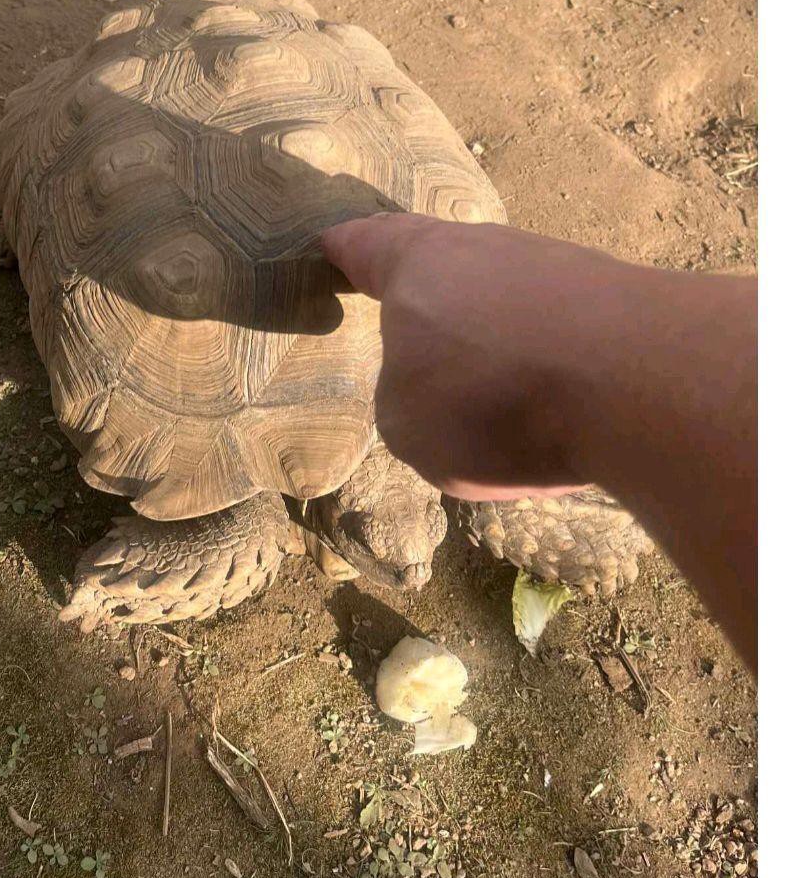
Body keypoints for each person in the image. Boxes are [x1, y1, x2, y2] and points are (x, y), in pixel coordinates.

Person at [322, 214, 757, 671]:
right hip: (420, 251)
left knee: (502, 501)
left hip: (417, 251)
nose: (418, 574)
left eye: (435, 521)